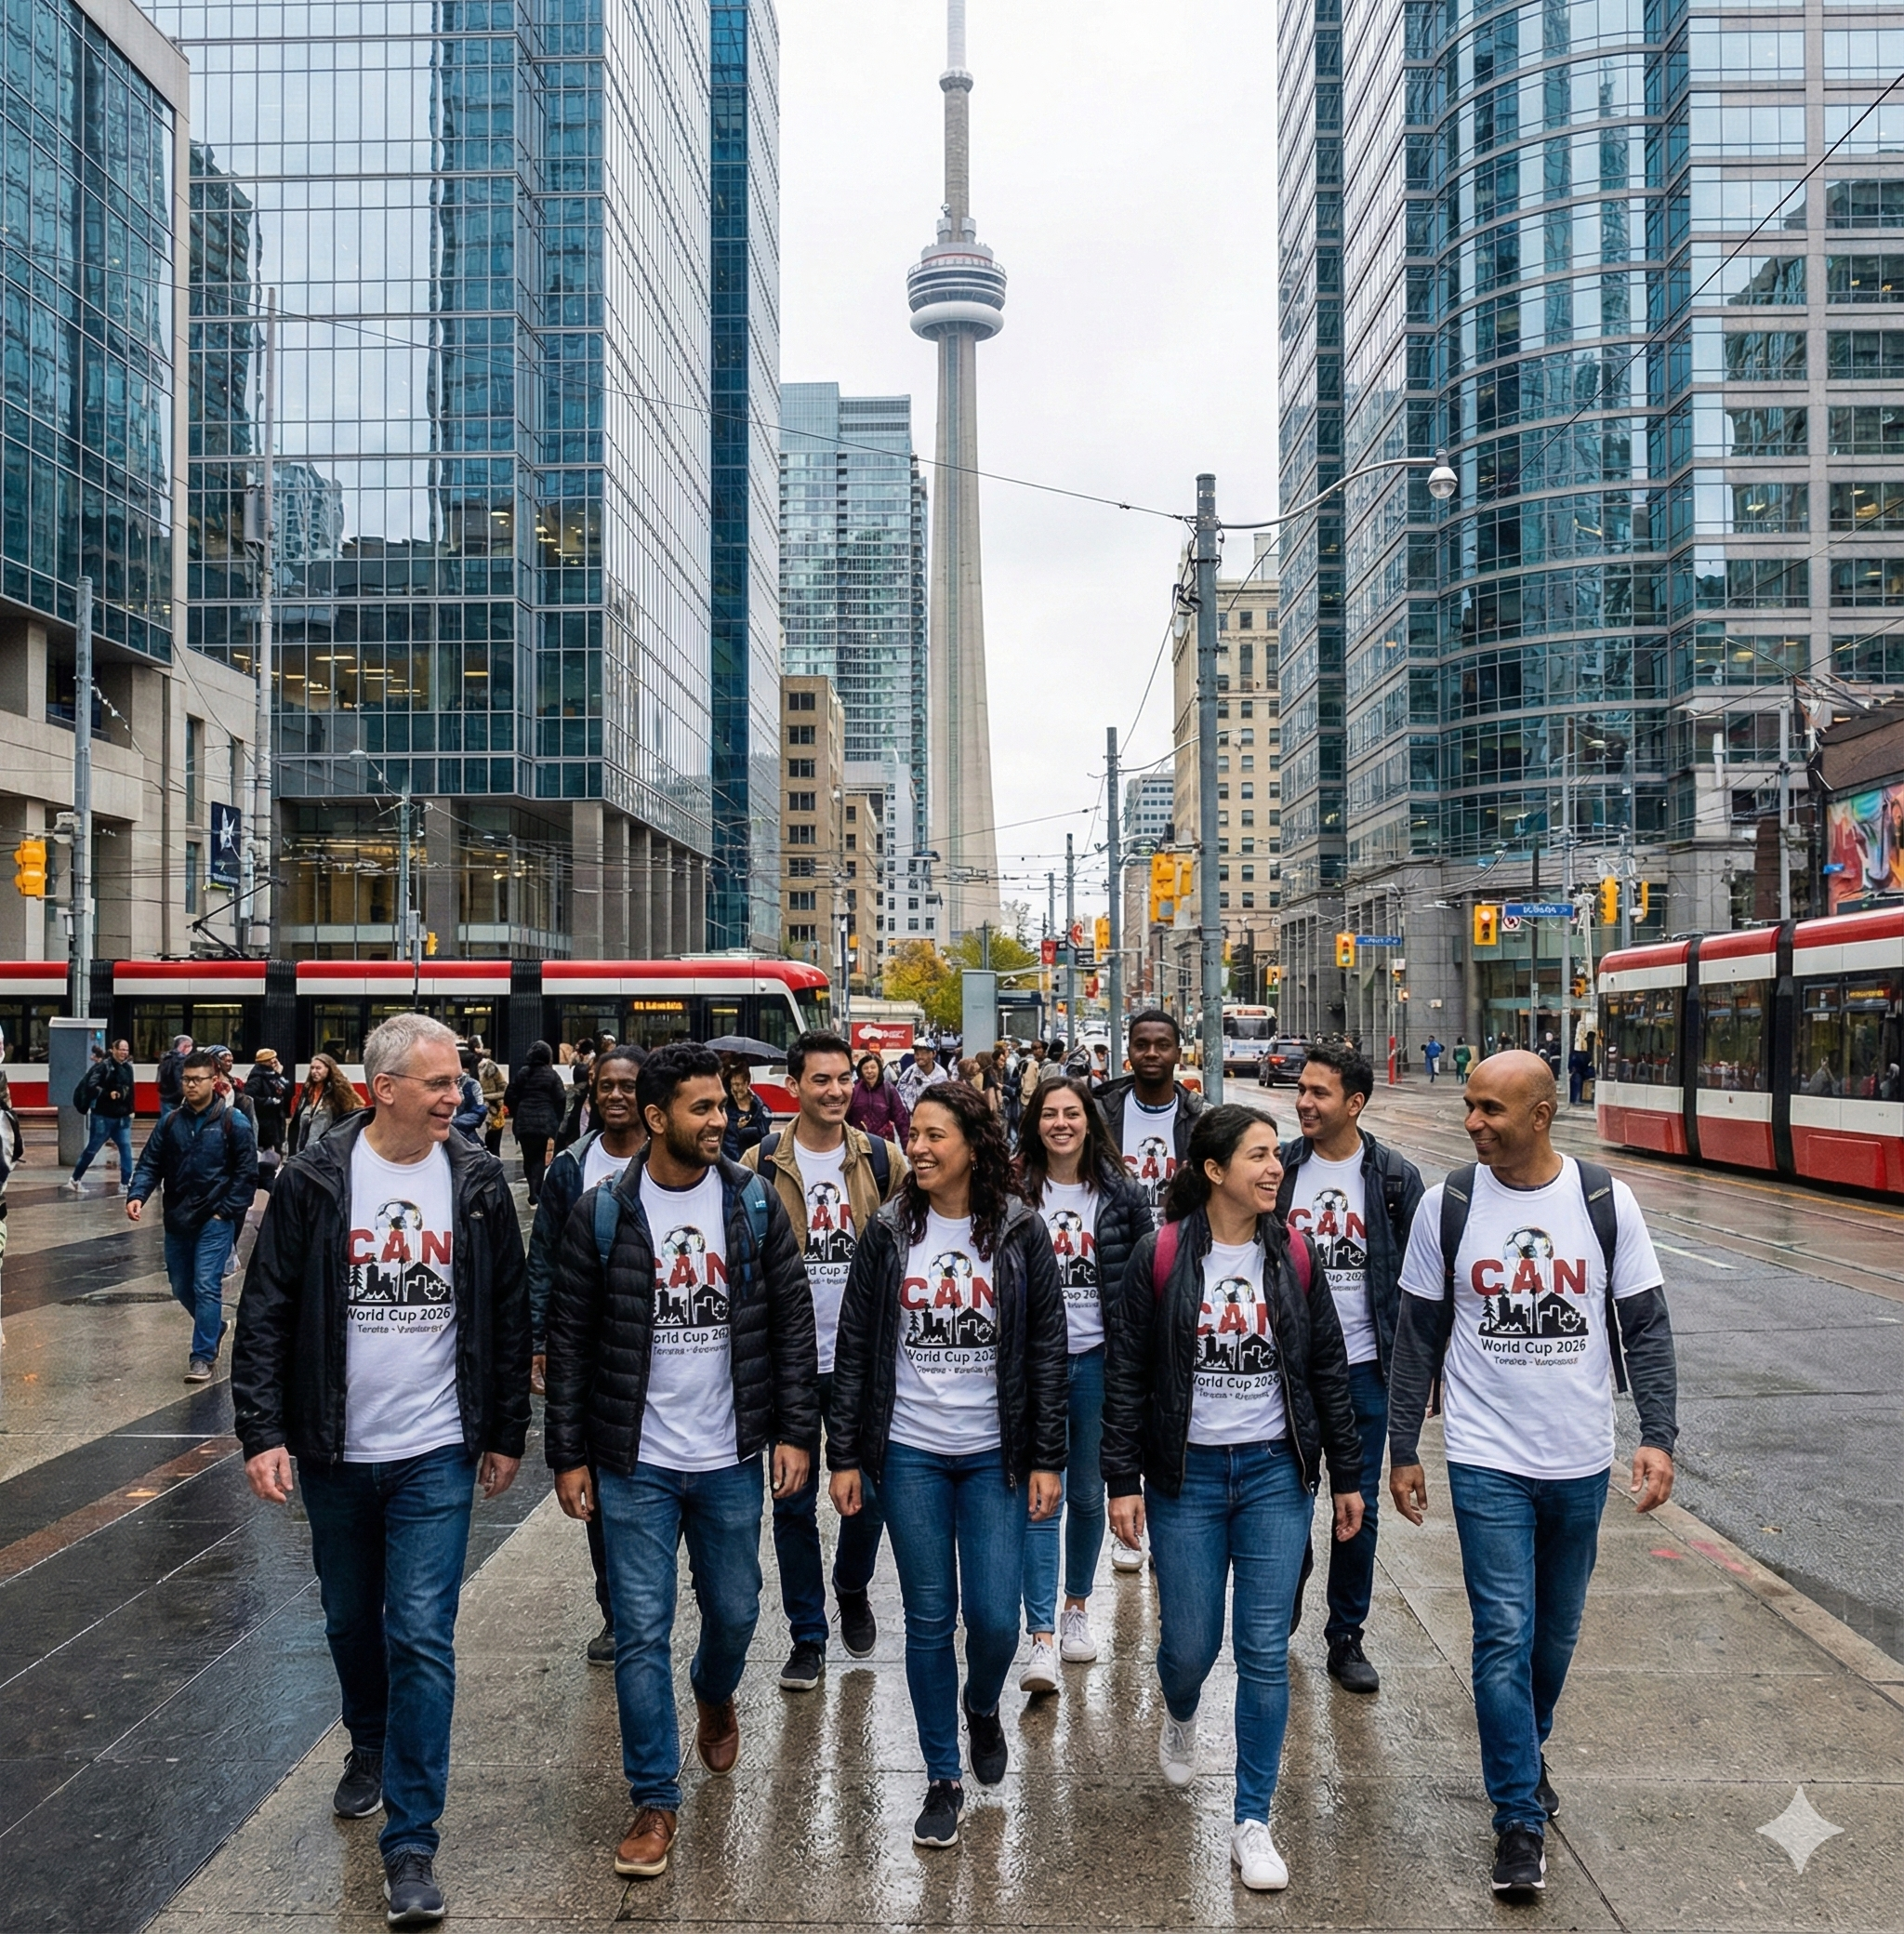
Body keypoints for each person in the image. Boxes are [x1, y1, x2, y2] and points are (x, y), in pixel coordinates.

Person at [232, 1013, 529, 1930]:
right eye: (440, 1083)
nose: (457, 1095)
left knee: (421, 1635)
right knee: (351, 1617)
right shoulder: (318, 1177)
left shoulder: (475, 1179)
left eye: (457, 1083)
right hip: (332, 1448)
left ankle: (412, 1841)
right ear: (383, 1088)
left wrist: (506, 1429)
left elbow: (509, 1313)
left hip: (435, 1453)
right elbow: (268, 1307)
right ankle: (367, 1737)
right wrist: (261, 1432)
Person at [1386, 1051, 1678, 1898]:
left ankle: (1525, 1744)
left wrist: (1656, 1435)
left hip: (1580, 1458)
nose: (1471, 1121)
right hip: (1485, 1459)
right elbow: (1416, 1339)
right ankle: (1516, 1817)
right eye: (1469, 1106)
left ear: (1541, 1114)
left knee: (1554, 1636)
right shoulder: (1449, 1206)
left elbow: (1646, 1328)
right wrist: (1404, 1446)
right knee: (1503, 1636)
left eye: (1489, 1110)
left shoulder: (1602, 1202)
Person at [543, 1041, 817, 1884]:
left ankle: (714, 1688)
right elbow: (572, 1338)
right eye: (702, 1109)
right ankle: (655, 1799)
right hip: (636, 1462)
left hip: (731, 1454)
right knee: (639, 1632)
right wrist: (568, 1456)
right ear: (657, 1118)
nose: (722, 1121)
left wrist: (795, 1432)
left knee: (735, 1613)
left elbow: (791, 1325)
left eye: (723, 1107)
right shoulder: (603, 1211)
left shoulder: (754, 1203)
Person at [1102, 1104, 1364, 1894]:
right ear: (1214, 1171)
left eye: (1273, 1156)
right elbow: (1126, 1378)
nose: (1274, 1167)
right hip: (1186, 1478)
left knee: (1262, 1650)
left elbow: (1328, 1373)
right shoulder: (1163, 1254)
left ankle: (1253, 1819)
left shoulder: (1296, 1256)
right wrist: (1121, 1481)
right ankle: (1179, 1713)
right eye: (1257, 1156)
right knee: (1189, 1646)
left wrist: (1346, 1474)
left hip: (1274, 1475)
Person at [828, 1080, 1066, 1853]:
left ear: (974, 1145)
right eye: (915, 1135)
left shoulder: (1023, 1231)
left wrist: (1046, 1459)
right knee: (931, 1618)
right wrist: (846, 1456)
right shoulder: (889, 1228)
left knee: (996, 1619)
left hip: (997, 1455)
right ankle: (942, 1776)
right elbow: (857, 1346)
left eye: (935, 1136)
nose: (918, 1147)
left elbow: (1047, 1353)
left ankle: (982, 1706)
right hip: (911, 1453)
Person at [743, 1029, 906, 1689]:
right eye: (822, 1080)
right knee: (791, 1503)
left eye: (844, 1078)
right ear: (795, 1085)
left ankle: (852, 1585)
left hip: (861, 1358)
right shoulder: (758, 1165)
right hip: (787, 1362)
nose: (837, 1090)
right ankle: (807, 1636)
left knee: (869, 1494)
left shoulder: (883, 1160)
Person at [1275, 1040, 1424, 1693]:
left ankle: (1346, 1636)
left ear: (1355, 1104)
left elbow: (1421, 1286)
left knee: (1354, 1508)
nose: (1304, 1102)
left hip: (1365, 1370)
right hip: (1284, 1373)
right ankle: (1282, 1604)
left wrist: (1424, 1372)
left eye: (1319, 1093)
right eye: (1302, 1090)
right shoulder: (1278, 1168)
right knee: (1286, 1504)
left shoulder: (1393, 1178)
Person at [1013, 1074, 1150, 1689]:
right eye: (1050, 1114)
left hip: (1099, 1361)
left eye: (1072, 1113)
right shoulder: (1012, 1189)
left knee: (1090, 1495)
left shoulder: (1122, 1195)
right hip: (1030, 1365)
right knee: (1042, 1495)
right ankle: (1039, 1633)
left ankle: (1076, 1608)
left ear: (1090, 1123)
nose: (1061, 1123)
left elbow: (1142, 1280)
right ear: (1035, 1123)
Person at [524, 1044, 649, 1658]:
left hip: (668, 1345)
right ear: (592, 1094)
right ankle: (618, 1612)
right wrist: (539, 1339)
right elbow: (543, 1256)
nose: (618, 1096)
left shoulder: (674, 1158)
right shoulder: (572, 1168)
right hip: (595, 1346)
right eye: (607, 1087)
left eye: (629, 1085)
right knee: (604, 1490)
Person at [127, 1049, 258, 1382]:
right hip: (178, 1217)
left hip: (215, 1219)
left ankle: (202, 1356)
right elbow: (150, 1162)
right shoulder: (170, 1122)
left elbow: (246, 1173)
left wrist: (224, 1212)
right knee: (181, 1285)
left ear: (214, 1082)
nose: (190, 1085)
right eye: (186, 1079)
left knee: (205, 1285)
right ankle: (213, 1326)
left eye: (197, 1080)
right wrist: (138, 1194)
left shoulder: (234, 1122)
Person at [1096, 1010, 1205, 1232]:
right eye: (1141, 1045)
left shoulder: (1203, 1120)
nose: (1151, 1053)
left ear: (1178, 1054)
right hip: (1119, 1251)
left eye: (1163, 1046)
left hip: (1181, 1250)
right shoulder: (1099, 1116)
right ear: (1129, 1053)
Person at [504, 1040, 568, 1204]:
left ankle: (533, 1189)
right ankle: (536, 1191)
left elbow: (510, 1095)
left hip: (524, 1123)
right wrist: (556, 1119)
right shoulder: (552, 1075)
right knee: (539, 1157)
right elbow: (561, 1098)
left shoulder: (522, 1073)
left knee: (528, 1157)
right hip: (544, 1123)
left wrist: (518, 1112)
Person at [68, 1038, 136, 1191]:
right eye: (122, 1049)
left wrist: (131, 1110)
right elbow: (92, 1086)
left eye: (126, 1050)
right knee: (92, 1149)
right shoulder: (103, 1067)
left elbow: (131, 1091)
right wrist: (107, 1094)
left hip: (122, 1117)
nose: (124, 1053)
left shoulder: (128, 1069)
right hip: (103, 1117)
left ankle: (125, 1183)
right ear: (114, 1049)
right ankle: (75, 1179)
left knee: (126, 1149)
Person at [245, 1048, 296, 1196]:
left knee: (275, 1154)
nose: (275, 1061)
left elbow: (287, 1089)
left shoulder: (273, 1076)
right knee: (267, 1157)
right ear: (264, 1061)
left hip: (275, 1123)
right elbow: (250, 1098)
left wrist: (280, 1074)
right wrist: (269, 1101)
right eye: (271, 1059)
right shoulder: (257, 1078)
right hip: (265, 1126)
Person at [292, 1054, 364, 1154]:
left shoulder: (336, 1090)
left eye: (318, 1068)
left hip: (325, 1152)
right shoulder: (308, 1090)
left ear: (328, 1069)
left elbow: (352, 1110)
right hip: (304, 1151)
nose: (314, 1072)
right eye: (312, 1068)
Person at [847, 1048, 910, 1145]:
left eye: (873, 1067)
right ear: (861, 1072)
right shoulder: (854, 1090)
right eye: (865, 1068)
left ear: (879, 1069)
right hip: (858, 1144)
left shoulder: (889, 1090)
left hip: (884, 1144)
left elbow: (901, 1119)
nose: (869, 1071)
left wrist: (907, 1146)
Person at [720, 1061, 772, 1162]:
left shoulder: (758, 1106)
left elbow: (764, 1133)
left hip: (753, 1160)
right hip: (730, 1160)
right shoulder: (726, 1106)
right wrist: (736, 1127)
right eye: (733, 1085)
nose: (735, 1089)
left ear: (747, 1083)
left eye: (738, 1085)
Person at [473, 1040, 508, 1157]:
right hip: (477, 1113)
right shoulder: (464, 1069)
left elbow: (503, 1089)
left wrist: (485, 1097)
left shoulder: (489, 1067)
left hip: (492, 1113)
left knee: (492, 1148)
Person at [893, 1040, 948, 1113]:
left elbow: (945, 1102)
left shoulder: (942, 1075)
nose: (920, 1057)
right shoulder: (908, 1075)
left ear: (934, 1054)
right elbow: (900, 1101)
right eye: (917, 1053)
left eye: (924, 1053)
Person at [156, 1033, 192, 1122]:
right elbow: (179, 1081)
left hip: (165, 1099)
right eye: (189, 1046)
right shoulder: (181, 1061)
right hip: (177, 1100)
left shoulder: (166, 1058)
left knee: (167, 1124)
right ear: (184, 1046)